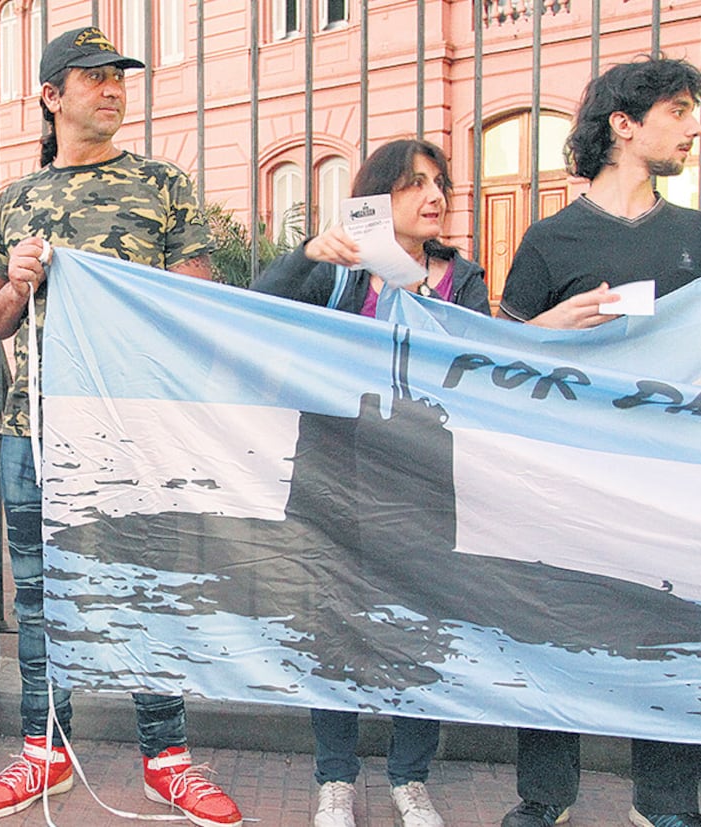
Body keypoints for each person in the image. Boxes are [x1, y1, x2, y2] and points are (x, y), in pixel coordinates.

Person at [0, 26, 242, 827]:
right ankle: (43, 753)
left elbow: (195, 301)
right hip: (33, 427)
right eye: (93, 78)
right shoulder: (18, 199)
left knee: (147, 587)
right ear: (52, 97)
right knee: (43, 593)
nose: (113, 89)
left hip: (135, 427)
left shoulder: (163, 183)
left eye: (118, 77)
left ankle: (166, 761)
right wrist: (15, 287)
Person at [253, 139, 487, 827]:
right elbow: (251, 308)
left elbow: (478, 362)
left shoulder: (461, 279)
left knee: (419, 626)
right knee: (333, 622)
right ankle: (335, 778)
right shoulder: (343, 272)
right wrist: (304, 256)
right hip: (335, 476)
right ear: (375, 198)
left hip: (422, 483)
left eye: (439, 182)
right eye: (414, 183)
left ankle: (409, 778)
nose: (434, 195)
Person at [495, 56, 701, 827]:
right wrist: (544, 329)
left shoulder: (696, 236)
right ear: (623, 123)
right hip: (565, 483)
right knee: (551, 634)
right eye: (677, 110)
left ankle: (669, 803)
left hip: (671, 484)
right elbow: (495, 361)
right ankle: (543, 799)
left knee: (673, 639)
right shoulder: (550, 239)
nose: (692, 126)